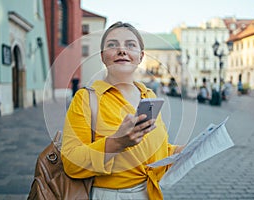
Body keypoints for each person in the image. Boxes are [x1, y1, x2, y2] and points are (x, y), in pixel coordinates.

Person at [61, 21, 184, 200]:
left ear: (140, 56)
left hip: (149, 193)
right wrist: (117, 143)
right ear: (103, 56)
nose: (122, 50)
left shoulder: (148, 95)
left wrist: (181, 152)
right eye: (112, 45)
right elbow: (71, 162)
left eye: (130, 45)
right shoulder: (85, 99)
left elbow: (156, 149)